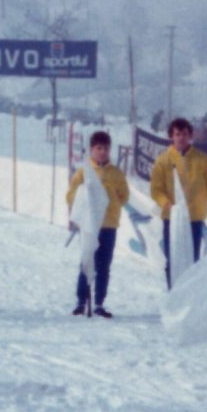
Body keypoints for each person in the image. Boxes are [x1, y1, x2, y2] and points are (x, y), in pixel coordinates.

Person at [150, 117, 207, 289]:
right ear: (171, 137)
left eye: (185, 134)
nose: (181, 138)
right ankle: (173, 295)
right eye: (177, 134)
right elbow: (155, 190)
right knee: (172, 259)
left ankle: (189, 297)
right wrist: (168, 205)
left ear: (190, 136)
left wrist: (199, 202)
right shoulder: (163, 160)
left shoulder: (201, 159)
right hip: (172, 219)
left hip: (194, 219)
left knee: (192, 260)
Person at [65, 131, 129, 318]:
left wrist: (113, 200)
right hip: (89, 226)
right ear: (92, 149)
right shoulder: (83, 172)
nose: (102, 152)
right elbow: (70, 196)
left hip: (108, 225)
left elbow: (124, 196)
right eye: (98, 148)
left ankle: (99, 302)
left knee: (103, 265)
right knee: (86, 261)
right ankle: (81, 301)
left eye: (106, 148)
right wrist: (84, 195)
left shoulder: (116, 173)